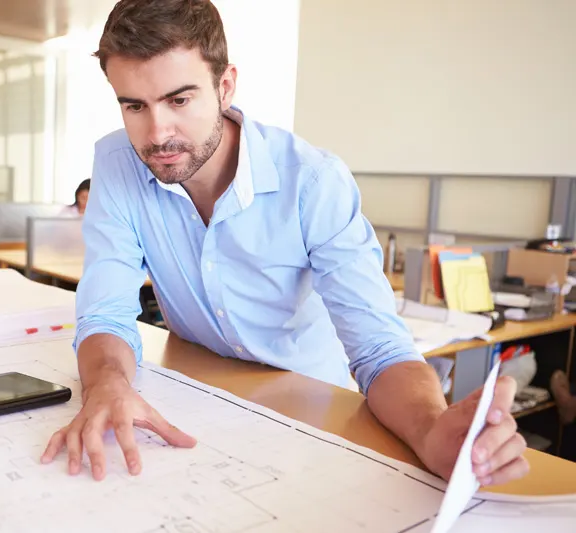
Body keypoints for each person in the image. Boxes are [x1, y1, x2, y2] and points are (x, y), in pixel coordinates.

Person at [41, 0, 529, 487]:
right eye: (134, 106)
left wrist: (428, 429)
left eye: (180, 100)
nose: (157, 132)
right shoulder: (117, 161)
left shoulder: (314, 182)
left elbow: (379, 349)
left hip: (315, 413)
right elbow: (105, 313)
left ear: (225, 86)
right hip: (199, 398)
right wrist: (106, 384)